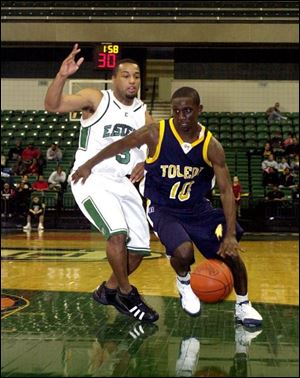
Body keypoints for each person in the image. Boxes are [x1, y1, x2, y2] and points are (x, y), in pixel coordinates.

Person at [72, 86, 263, 327]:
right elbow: (120, 145)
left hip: (198, 209)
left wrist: (231, 234)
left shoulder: (211, 145)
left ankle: (243, 304)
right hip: (163, 208)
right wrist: (89, 163)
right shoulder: (156, 133)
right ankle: (184, 283)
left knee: (231, 254)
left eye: (187, 111)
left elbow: (226, 191)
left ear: (199, 110)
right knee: (184, 252)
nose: (182, 117)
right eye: (176, 112)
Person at [44, 43, 158, 323]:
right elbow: (52, 105)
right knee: (117, 235)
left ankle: (108, 290)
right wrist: (61, 76)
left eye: (137, 76)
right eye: (126, 75)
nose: (133, 80)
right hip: (90, 178)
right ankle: (127, 294)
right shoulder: (96, 98)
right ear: (114, 78)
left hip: (123, 184)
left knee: (140, 248)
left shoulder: (143, 114)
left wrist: (147, 162)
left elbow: (158, 147)